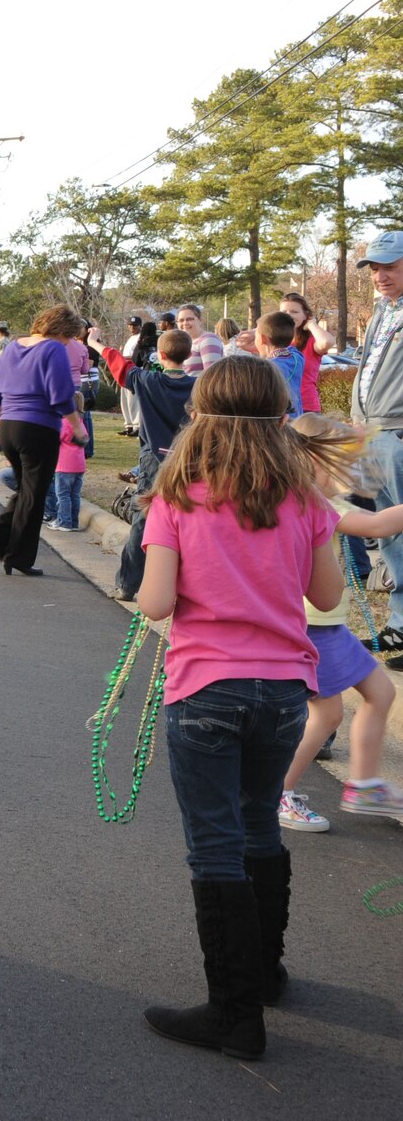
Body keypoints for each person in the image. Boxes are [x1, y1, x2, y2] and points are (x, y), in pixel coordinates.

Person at [134, 355, 359, 1059]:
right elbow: (325, 597)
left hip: (206, 686)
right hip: (285, 689)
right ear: (279, 413)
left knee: (215, 844)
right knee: (260, 820)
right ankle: (263, 973)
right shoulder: (304, 497)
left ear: (201, 411)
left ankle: (233, 1013)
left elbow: (156, 603)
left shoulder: (177, 492)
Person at [275, 415, 403, 834]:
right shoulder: (315, 501)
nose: (349, 476)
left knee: (378, 692)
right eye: (342, 465)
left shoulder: (311, 497)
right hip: (315, 628)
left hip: (327, 627)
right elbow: (378, 524)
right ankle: (278, 792)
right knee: (328, 716)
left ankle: (364, 784)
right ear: (315, 463)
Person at [98, 327, 196, 600]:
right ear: (188, 355)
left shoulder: (146, 380)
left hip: (154, 458)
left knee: (143, 520)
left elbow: (119, 364)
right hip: (188, 459)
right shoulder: (199, 386)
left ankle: (128, 584)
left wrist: (96, 344)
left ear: (160, 355)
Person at [0, 305, 81, 575]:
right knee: (34, 497)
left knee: (27, 490)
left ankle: (2, 536)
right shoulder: (53, 348)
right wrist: (78, 428)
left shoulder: (13, 347)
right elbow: (61, 395)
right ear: (61, 330)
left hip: (10, 429)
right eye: (69, 336)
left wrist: (1, 420)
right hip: (38, 428)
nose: (68, 342)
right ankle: (17, 556)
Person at [352, 229, 403, 590]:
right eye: (374, 268)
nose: (380, 276)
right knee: (388, 533)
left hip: (397, 434)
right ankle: (400, 621)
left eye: (390, 267)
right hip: (373, 432)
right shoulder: (382, 309)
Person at [278, 292, 329, 415]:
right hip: (279, 408)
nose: (289, 316)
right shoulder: (274, 341)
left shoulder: (311, 341)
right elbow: (245, 343)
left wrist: (312, 324)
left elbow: (326, 342)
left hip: (307, 409)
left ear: (305, 315)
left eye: (294, 312)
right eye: (284, 312)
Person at [44, 395, 89, 531]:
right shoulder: (80, 423)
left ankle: (64, 521)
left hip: (64, 464)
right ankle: (73, 522)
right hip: (79, 465)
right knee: (74, 495)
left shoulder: (63, 423)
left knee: (62, 495)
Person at [254, 312, 304, 419]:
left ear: (263, 339)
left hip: (280, 424)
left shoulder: (265, 369)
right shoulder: (297, 358)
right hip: (298, 422)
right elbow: (287, 347)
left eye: (255, 337)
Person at [175, 303, 223, 376]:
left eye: (189, 319)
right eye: (181, 320)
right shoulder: (186, 342)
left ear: (200, 320)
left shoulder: (208, 340)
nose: (185, 323)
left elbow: (212, 376)